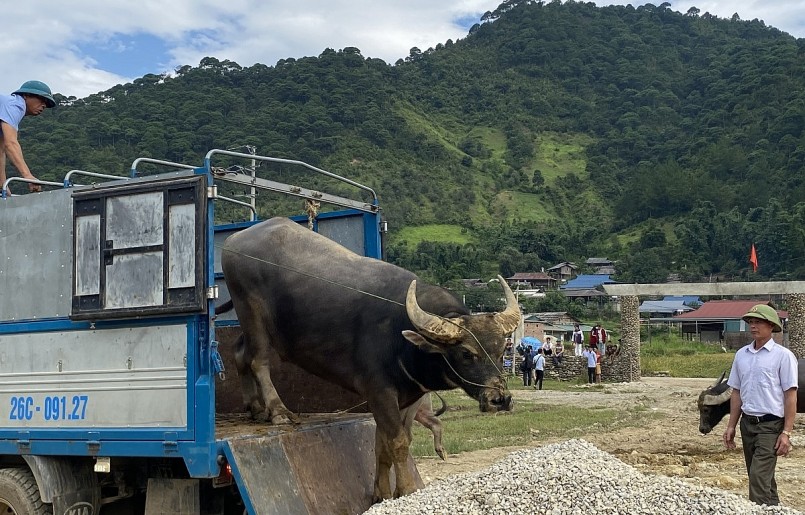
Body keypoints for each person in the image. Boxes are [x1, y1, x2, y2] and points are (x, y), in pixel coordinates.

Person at [723, 304, 797, 506]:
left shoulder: (783, 356)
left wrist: (787, 433)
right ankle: (774, 509)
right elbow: (737, 392)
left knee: (758, 478)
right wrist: (731, 426)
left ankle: (759, 510)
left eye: (758, 322)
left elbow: (790, 395)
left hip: (770, 426)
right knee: (762, 478)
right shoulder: (742, 355)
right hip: (747, 424)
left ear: (771, 326)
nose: (753, 326)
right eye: (751, 322)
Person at [0, 81, 55, 195]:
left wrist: (2, 186)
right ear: (26, 95)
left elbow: (1, 150)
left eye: (47, 104)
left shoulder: (6, 110)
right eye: (42, 100)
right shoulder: (15, 105)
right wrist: (28, 176)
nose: (44, 105)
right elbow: (11, 144)